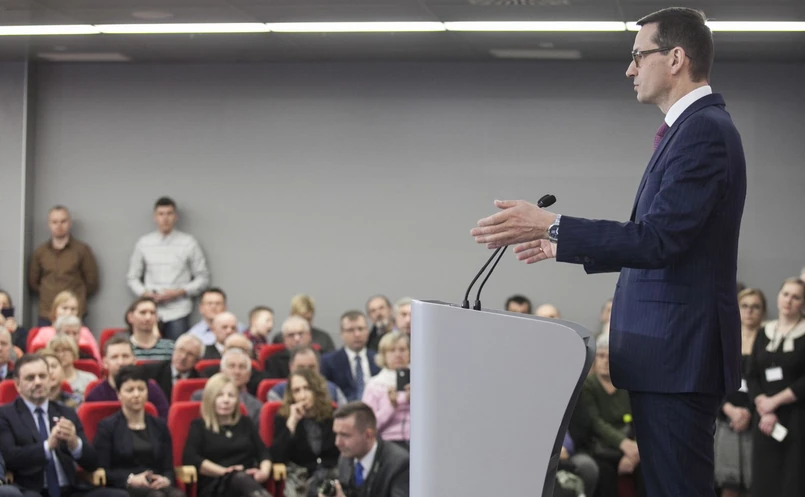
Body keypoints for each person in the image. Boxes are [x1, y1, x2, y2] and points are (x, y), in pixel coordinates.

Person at [471, 8, 746, 497]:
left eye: (639, 56)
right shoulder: (690, 129)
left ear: (676, 58)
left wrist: (552, 223)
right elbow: (665, 239)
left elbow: (659, 240)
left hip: (678, 356)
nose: (629, 69)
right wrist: (559, 242)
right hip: (671, 356)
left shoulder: (702, 131)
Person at [0, 354, 128, 497]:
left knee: (118, 495)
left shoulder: (66, 412)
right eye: (30, 378)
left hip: (70, 489)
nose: (38, 382)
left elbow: (92, 463)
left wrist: (75, 444)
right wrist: (47, 446)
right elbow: (10, 457)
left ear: (50, 380)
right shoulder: (6, 414)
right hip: (32, 490)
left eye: (42, 376)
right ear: (17, 384)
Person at [745, 278, 805, 497]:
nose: (789, 300)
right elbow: (751, 374)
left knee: (792, 481)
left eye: (796, 297)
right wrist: (764, 406)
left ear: (803, 303)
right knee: (764, 480)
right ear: (778, 297)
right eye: (785, 294)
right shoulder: (764, 332)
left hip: (796, 417)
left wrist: (775, 402)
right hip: (765, 419)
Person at [127, 197, 210, 340]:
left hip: (179, 311)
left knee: (178, 350)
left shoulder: (188, 242)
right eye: (161, 214)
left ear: (176, 217)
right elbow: (132, 277)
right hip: (150, 311)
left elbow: (203, 277)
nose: (165, 218)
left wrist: (179, 292)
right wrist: (145, 294)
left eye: (169, 213)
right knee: (148, 349)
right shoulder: (144, 243)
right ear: (155, 217)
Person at [94, 366, 184, 497]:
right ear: (119, 394)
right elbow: (103, 470)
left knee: (177, 495)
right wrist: (130, 479)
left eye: (141, 389)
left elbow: (168, 468)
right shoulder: (107, 427)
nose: (136, 395)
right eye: (130, 390)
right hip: (124, 486)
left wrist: (166, 479)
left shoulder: (159, 426)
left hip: (155, 483)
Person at [182, 373, 273, 497]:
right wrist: (225, 472)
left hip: (248, 482)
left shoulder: (246, 422)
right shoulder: (199, 426)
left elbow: (263, 453)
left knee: (243, 480)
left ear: (237, 400)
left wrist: (264, 472)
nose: (226, 400)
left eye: (231, 395)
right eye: (220, 395)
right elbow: (191, 458)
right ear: (210, 399)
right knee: (239, 478)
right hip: (216, 484)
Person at [714, 288, 765, 496]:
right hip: (725, 417)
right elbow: (712, 379)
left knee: (757, 482)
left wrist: (750, 411)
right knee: (729, 482)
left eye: (755, 307)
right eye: (744, 306)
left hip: (758, 418)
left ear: (763, 311)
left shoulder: (769, 341)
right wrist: (728, 409)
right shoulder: (724, 339)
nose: (749, 311)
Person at [271, 369, 339, 497]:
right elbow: (277, 457)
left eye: (307, 389)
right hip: (301, 476)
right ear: (291, 395)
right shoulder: (284, 417)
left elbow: (342, 450)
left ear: (316, 390)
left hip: (332, 473)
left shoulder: (331, 414)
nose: (303, 396)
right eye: (297, 391)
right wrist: (292, 422)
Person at [28, 205, 99, 327]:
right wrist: (48, 293)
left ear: (69, 223)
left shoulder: (82, 250)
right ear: (49, 224)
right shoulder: (40, 252)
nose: (59, 226)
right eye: (54, 222)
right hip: (47, 313)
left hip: (75, 313)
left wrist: (75, 299)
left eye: (63, 221)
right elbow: (33, 282)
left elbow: (92, 282)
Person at [320, 402, 409, 497]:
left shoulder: (399, 465)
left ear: (368, 435)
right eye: (336, 434)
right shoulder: (345, 458)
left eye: (344, 435)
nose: (337, 442)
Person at [86, 335, 169, 419]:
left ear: (134, 360)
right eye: (114, 357)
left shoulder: (151, 389)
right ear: (105, 363)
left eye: (125, 356)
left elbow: (164, 420)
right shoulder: (95, 396)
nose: (121, 362)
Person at [361, 332, 411, 450]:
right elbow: (368, 425)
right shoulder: (374, 384)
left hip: (419, 440)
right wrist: (391, 405)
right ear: (383, 355)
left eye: (402, 350)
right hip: (388, 442)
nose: (398, 354)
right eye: (392, 350)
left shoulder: (422, 380)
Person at [321, 311, 380, 402]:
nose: (357, 334)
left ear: (367, 331)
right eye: (350, 330)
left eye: (360, 329)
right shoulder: (329, 361)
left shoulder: (378, 359)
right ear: (341, 333)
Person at [30, 290, 102, 362]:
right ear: (55, 310)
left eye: (73, 309)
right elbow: (33, 359)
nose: (69, 312)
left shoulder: (85, 332)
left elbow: (97, 361)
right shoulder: (44, 332)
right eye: (64, 308)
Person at [142, 334, 204, 402]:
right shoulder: (151, 372)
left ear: (197, 360)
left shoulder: (200, 380)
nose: (183, 357)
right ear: (174, 350)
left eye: (190, 354)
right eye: (181, 350)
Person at [46, 333, 98, 398]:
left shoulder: (89, 379)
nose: (61, 355)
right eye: (56, 351)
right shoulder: (46, 381)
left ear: (73, 352)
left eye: (65, 350)